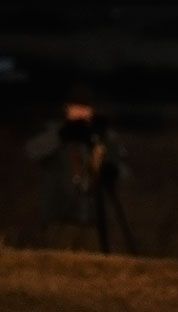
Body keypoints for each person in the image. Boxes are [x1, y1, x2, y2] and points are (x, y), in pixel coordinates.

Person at [23, 90, 134, 255]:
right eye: (76, 108)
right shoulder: (56, 132)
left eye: (85, 108)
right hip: (59, 217)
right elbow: (31, 151)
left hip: (93, 219)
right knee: (57, 262)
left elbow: (125, 167)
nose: (80, 113)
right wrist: (62, 136)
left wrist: (113, 171)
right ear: (66, 109)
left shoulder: (103, 136)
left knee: (94, 265)